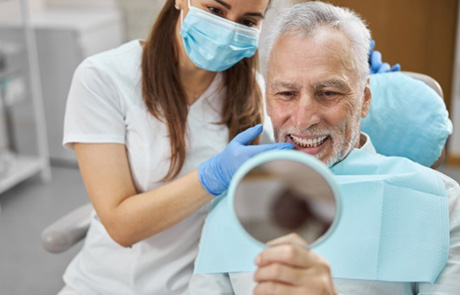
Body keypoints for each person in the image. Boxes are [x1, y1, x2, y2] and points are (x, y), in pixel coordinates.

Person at [60, 0, 396, 293]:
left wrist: (351, 82)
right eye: (215, 9)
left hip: (207, 280)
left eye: (248, 21)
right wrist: (212, 176)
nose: (227, 27)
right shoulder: (103, 78)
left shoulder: (256, 92)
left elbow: (312, 154)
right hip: (111, 285)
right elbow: (121, 225)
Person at [190, 2, 460, 295]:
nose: (304, 119)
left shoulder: (440, 204)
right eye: (286, 93)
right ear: (267, 99)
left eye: (328, 93)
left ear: (365, 99)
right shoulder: (232, 205)